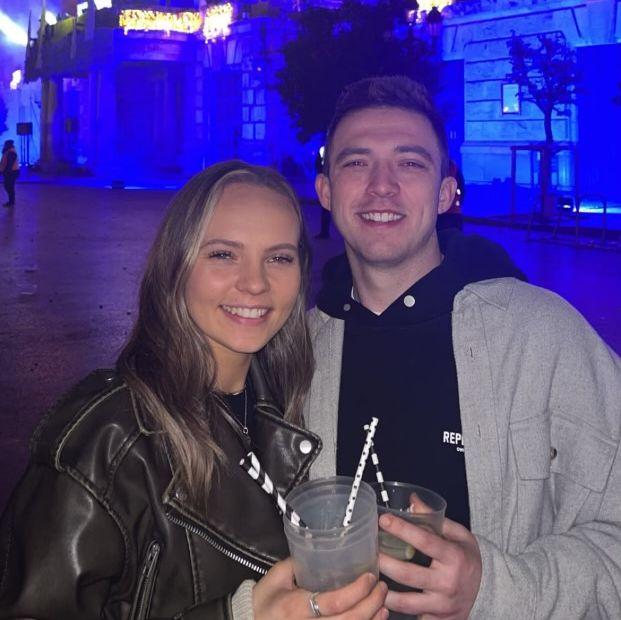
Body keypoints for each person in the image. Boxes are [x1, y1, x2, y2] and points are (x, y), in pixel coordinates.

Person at [0, 160, 388, 619]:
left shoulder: (288, 407)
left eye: (279, 257)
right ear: (176, 264)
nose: (255, 283)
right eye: (223, 254)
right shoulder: (104, 443)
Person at [305, 76, 621, 618]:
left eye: (410, 163)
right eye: (357, 163)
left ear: (446, 193)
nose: (381, 186)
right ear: (326, 191)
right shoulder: (297, 353)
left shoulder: (542, 336)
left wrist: (499, 589)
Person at [0, 139, 19, 207]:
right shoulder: (9, 152)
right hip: (11, 172)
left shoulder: (11, 152)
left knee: (9, 186)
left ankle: (11, 202)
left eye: (5, 144)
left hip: (11, 173)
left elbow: (9, 164)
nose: (4, 146)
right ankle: (11, 201)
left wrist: (5, 172)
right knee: (9, 186)